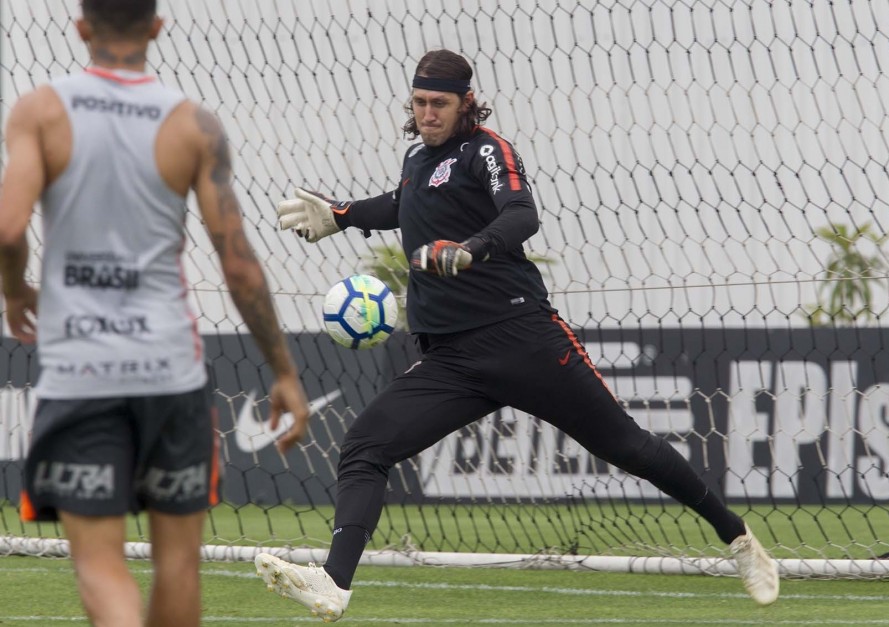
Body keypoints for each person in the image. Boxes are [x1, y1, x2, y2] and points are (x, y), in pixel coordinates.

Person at [254, 48, 779, 622]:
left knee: (628, 448)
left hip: (522, 338)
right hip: (451, 359)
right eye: (420, 102)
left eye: (440, 103)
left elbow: (522, 214)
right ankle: (334, 583)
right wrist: (343, 213)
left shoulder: (488, 149)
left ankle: (738, 540)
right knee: (364, 448)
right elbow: (406, 204)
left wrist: (470, 249)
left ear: (465, 104)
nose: (428, 112)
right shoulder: (416, 160)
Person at [0, 1, 311, 626]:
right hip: (172, 374)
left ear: (82, 27)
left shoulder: (40, 111)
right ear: (157, 27)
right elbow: (239, 263)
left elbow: (8, 231)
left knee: (100, 565)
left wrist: (15, 291)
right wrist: (283, 371)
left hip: (81, 374)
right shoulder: (194, 125)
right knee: (178, 566)